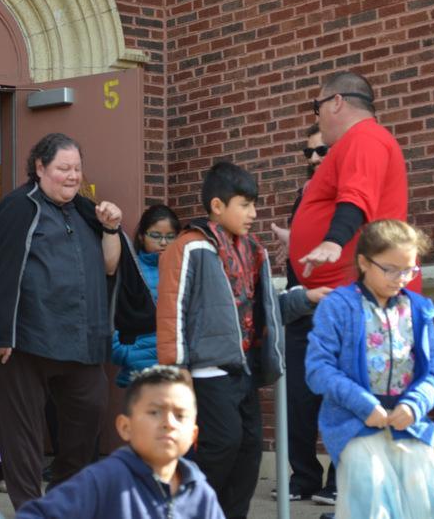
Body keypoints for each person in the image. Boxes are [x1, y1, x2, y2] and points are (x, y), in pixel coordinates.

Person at [0, 132, 151, 509]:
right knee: (21, 433)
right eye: (64, 168)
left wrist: (111, 229)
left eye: (77, 168)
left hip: (79, 339)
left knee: (90, 410)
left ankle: (61, 497)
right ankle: (30, 509)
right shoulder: (18, 208)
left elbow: (110, 267)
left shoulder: (86, 211)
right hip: (24, 339)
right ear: (40, 167)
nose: (73, 176)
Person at [157, 161, 330, 519]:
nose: (253, 213)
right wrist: (177, 370)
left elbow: (265, 310)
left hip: (244, 369)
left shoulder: (253, 250)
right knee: (222, 444)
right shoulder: (189, 247)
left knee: (249, 452)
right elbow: (172, 311)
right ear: (217, 206)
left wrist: (306, 298)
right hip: (206, 371)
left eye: (254, 204)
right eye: (245, 205)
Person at [305, 219, 434, 518]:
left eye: (409, 270)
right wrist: (364, 404)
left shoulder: (419, 309)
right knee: (369, 488)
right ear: (364, 262)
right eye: (390, 269)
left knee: (433, 489)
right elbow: (318, 368)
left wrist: (414, 405)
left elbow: (431, 373)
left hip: (407, 422)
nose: (401, 279)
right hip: (354, 421)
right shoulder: (337, 306)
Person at [16, 365, 226, 519]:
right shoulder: (104, 480)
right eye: (154, 412)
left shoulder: (200, 492)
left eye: (180, 415)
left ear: (193, 434)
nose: (169, 423)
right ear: (126, 427)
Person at [289, 71, 419, 293]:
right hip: (352, 292)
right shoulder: (355, 141)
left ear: (337, 102)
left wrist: (333, 241)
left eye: (317, 107)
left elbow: (356, 197)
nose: (316, 119)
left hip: (365, 294)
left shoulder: (364, 137)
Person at [270, 124, 338, 504]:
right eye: (308, 152)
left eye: (321, 151)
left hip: (336, 307)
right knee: (297, 397)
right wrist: (292, 241)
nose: (313, 158)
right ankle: (304, 476)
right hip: (300, 306)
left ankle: (340, 478)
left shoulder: (347, 192)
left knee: (340, 396)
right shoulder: (305, 194)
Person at [111, 204, 180, 387]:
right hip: (138, 364)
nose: (163, 242)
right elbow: (110, 309)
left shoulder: (183, 269)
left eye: (170, 236)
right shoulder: (131, 269)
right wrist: (122, 353)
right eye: (156, 235)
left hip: (177, 366)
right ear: (142, 236)